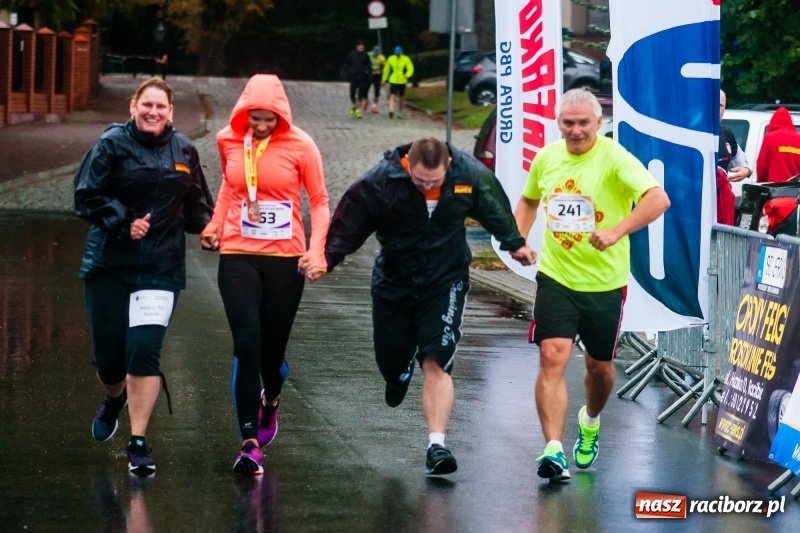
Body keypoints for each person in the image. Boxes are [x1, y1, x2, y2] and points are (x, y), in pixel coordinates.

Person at [299, 138, 536, 475]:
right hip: (394, 284)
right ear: (408, 163)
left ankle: (436, 445)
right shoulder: (380, 182)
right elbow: (348, 227)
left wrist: (515, 244)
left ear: (448, 166)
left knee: (437, 359)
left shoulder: (469, 175)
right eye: (420, 181)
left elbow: (495, 209)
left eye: (434, 182)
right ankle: (397, 375)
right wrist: (327, 260)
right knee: (391, 361)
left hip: (445, 281)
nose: (426, 187)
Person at [513, 89, 670, 482]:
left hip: (604, 282)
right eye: (569, 123)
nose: (576, 130)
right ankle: (553, 449)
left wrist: (618, 230)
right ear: (558, 123)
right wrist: (518, 239)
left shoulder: (615, 158)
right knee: (552, 356)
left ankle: (591, 420)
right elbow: (530, 200)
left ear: (599, 124)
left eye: (584, 123)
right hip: (556, 276)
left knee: (600, 369)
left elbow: (657, 199)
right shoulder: (547, 157)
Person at [74, 77, 215, 475]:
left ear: (171, 112)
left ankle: (138, 441)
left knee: (144, 352)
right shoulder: (111, 144)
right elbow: (85, 195)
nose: (153, 112)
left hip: (160, 268)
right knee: (110, 361)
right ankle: (113, 398)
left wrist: (209, 228)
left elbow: (198, 205)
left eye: (161, 107)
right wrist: (123, 222)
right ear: (133, 107)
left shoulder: (184, 149)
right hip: (109, 265)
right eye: (146, 105)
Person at [200, 74, 330, 475]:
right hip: (238, 253)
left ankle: (270, 397)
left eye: (267, 120)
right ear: (243, 113)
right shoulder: (227, 140)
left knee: (271, 356)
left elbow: (320, 201)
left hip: (285, 258)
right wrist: (215, 224)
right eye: (253, 119)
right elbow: (229, 186)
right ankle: (248, 443)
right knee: (247, 343)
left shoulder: (301, 146)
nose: (259, 127)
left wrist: (317, 251)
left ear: (281, 116)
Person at [756, 106, 800, 183]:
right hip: (796, 190)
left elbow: (762, 167)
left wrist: (761, 183)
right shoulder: (798, 139)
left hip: (775, 190)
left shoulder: (770, 137)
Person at [718, 90, 751, 182]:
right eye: (712, 104)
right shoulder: (690, 132)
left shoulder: (726, 132)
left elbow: (738, 154)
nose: (717, 109)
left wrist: (746, 170)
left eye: (720, 106)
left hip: (719, 194)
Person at [382, 46, 414, 119]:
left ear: (401, 52)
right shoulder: (391, 58)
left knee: (401, 97)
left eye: (399, 54)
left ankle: (400, 111)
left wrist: (407, 75)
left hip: (402, 80)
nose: (397, 55)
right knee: (392, 95)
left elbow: (410, 68)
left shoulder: (406, 58)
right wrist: (384, 79)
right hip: (393, 80)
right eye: (396, 54)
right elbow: (386, 70)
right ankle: (391, 110)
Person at [344, 41, 372, 119]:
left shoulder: (365, 55)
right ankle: (355, 106)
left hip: (362, 77)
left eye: (362, 48)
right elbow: (347, 63)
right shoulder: (352, 54)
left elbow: (369, 66)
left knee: (360, 94)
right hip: (353, 76)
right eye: (359, 48)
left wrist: (369, 76)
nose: (361, 49)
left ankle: (358, 110)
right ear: (356, 47)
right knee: (352, 94)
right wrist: (347, 71)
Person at [367, 45, 386, 113]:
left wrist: (380, 72)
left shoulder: (382, 58)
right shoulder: (369, 55)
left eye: (377, 54)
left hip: (377, 74)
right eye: (375, 53)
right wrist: (369, 71)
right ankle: (366, 101)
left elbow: (385, 67)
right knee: (365, 89)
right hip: (369, 73)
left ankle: (374, 106)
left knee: (377, 91)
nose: (376, 55)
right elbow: (364, 63)